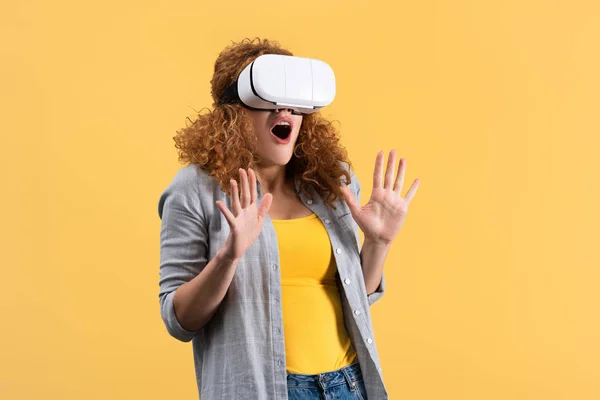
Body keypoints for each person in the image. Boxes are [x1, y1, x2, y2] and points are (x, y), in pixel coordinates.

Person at [158, 37, 419, 400]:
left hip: (346, 384)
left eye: (294, 104)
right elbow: (179, 319)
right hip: (263, 389)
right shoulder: (194, 189)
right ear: (232, 112)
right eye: (268, 100)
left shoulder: (331, 181)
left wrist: (378, 242)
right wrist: (228, 257)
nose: (285, 113)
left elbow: (356, 294)